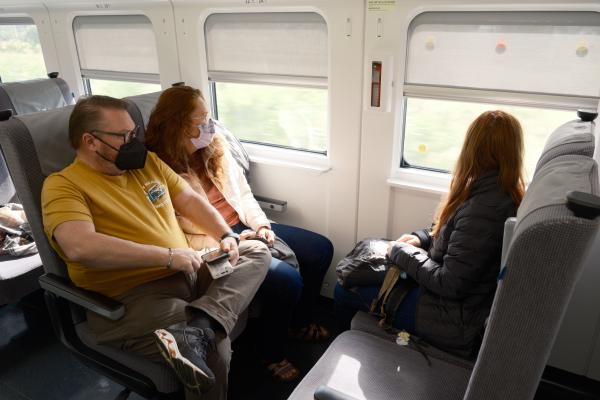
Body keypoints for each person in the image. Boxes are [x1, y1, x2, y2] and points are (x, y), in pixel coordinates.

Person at [41, 95, 271, 400]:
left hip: (189, 271)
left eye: (134, 132)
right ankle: (202, 331)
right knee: (214, 352)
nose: (134, 141)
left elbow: (189, 200)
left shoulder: (146, 163)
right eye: (123, 136)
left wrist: (225, 234)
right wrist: (168, 257)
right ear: (91, 141)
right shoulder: (63, 185)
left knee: (255, 251)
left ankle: (200, 324)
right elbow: (80, 246)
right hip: (133, 298)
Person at [145, 85, 334, 382]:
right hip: (211, 242)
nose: (210, 125)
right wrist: (228, 239)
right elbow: (177, 232)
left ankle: (296, 323)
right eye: (202, 119)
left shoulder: (214, 146)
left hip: (242, 226)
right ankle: (270, 352)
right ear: (179, 124)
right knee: (286, 279)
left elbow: (243, 194)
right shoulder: (158, 168)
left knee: (320, 249)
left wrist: (260, 225)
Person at [334, 110, 526, 357]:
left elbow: (448, 283)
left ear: (472, 149)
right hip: (450, 302)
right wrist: (421, 238)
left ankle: (343, 354)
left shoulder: (485, 209)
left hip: (451, 318)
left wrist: (401, 251)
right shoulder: (494, 192)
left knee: (344, 289)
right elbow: (457, 239)